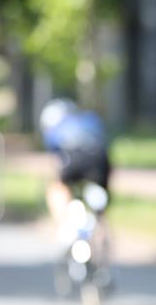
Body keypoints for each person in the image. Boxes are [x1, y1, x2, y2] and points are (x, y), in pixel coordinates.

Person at [39, 98, 112, 276]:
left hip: (73, 159)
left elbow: (56, 161)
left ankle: (63, 226)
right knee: (99, 210)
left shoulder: (56, 127)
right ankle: (103, 238)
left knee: (57, 188)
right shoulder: (90, 119)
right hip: (100, 160)